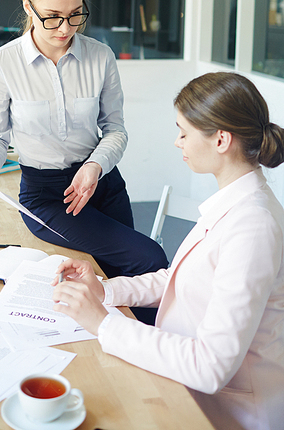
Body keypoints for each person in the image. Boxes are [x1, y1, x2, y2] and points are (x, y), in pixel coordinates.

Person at [52, 72, 284, 430]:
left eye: (184, 132)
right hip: (183, 384)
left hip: (224, 413)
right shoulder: (234, 203)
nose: (178, 142)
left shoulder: (253, 226)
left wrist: (103, 323)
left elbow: (211, 367)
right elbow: (181, 279)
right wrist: (106, 290)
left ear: (221, 139)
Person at [0, 0, 167, 291]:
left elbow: (115, 130)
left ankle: (134, 339)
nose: (65, 28)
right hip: (47, 198)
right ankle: (142, 340)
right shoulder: (3, 62)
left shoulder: (100, 56)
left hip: (101, 183)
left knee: (133, 277)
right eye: (52, 17)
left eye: (75, 15)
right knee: (149, 258)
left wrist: (95, 166)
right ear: (29, 7)